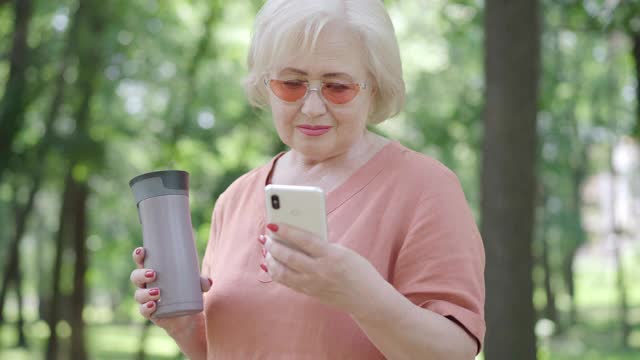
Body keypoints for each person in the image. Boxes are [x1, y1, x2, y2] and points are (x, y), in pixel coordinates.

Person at [130, 0, 485, 358]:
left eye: (337, 87)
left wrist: (361, 296)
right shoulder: (235, 198)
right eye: (291, 83)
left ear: (374, 87)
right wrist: (186, 327)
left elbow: (453, 353)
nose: (312, 107)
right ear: (266, 85)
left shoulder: (425, 188)